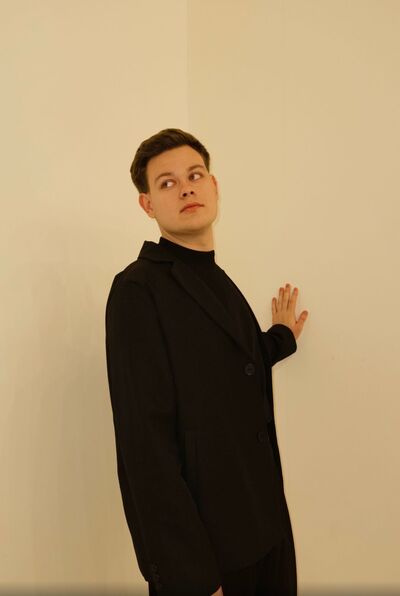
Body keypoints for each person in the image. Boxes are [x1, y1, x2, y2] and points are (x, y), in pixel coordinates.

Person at [105, 128, 309, 596]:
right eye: (167, 183)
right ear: (147, 205)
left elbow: (226, 365)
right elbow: (144, 447)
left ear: (214, 186)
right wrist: (190, 577)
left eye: (195, 175)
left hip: (268, 532)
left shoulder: (217, 278)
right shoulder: (138, 290)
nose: (186, 188)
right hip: (210, 559)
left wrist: (280, 338)